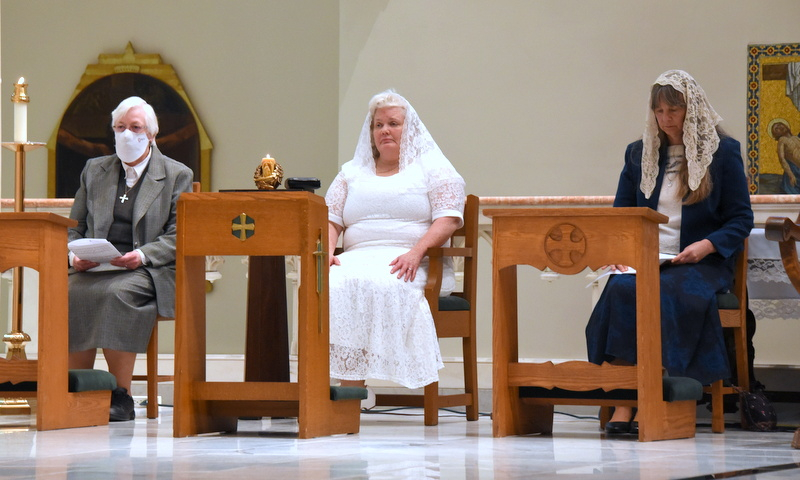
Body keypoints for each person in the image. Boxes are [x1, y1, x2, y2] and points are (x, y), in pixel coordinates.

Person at [585, 70, 754, 434]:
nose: (666, 119)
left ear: (691, 110)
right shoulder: (639, 154)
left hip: (701, 262)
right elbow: (622, 216)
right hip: (646, 259)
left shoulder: (723, 153)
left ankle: (661, 397)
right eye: (659, 111)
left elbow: (741, 218)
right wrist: (619, 252)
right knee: (620, 290)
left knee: (662, 293)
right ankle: (625, 402)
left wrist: (706, 245)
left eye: (673, 110)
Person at [325, 90, 466, 391]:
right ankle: (347, 389)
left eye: (393, 123)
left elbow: (450, 218)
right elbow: (330, 219)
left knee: (383, 281)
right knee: (329, 282)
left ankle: (352, 389)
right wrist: (325, 251)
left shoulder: (433, 168)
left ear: (410, 128)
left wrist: (416, 252)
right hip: (356, 258)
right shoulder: (351, 173)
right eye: (378, 125)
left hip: (412, 261)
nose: (384, 131)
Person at [67, 96, 194, 421]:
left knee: (116, 294)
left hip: (147, 269)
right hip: (95, 266)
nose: (126, 135)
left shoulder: (176, 174)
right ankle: (75, 388)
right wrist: (74, 254)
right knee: (68, 291)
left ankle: (118, 394)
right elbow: (73, 226)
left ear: (151, 134)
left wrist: (142, 255)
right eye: (120, 128)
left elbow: (180, 234)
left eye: (135, 128)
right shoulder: (95, 170)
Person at [768, 118, 800, 193]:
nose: (779, 127)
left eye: (779, 125)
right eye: (776, 128)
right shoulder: (782, 140)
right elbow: (782, 159)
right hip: (794, 171)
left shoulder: (796, 138)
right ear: (775, 134)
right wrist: (790, 174)